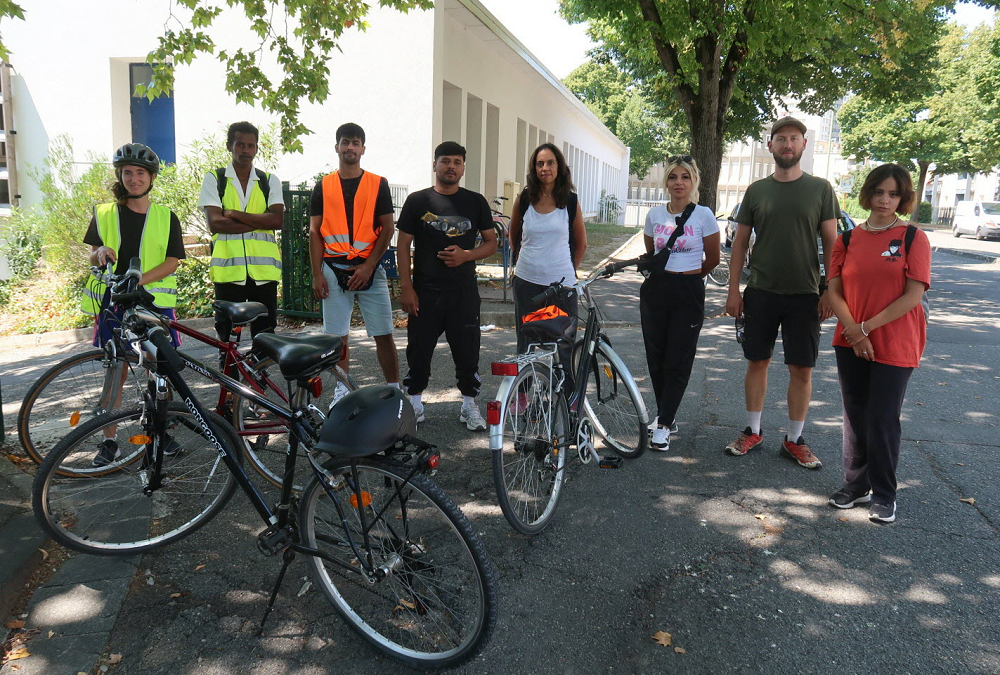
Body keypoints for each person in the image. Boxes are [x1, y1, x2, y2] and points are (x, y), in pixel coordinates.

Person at [724, 116, 839, 468]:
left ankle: (794, 439)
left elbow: (833, 244)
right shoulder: (757, 190)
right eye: (781, 139)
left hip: (805, 294)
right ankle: (753, 431)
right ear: (770, 145)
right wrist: (733, 290)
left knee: (801, 369)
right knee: (757, 361)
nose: (787, 144)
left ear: (804, 145)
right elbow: (740, 243)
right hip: (760, 291)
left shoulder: (820, 189)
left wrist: (831, 290)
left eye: (794, 139)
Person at [825, 164, 930, 523]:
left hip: (895, 339)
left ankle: (884, 494)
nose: (885, 199)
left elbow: (913, 295)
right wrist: (854, 330)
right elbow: (834, 291)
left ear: (903, 198)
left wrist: (866, 328)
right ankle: (855, 486)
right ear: (867, 193)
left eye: (894, 194)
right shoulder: (848, 239)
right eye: (879, 192)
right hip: (850, 337)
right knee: (855, 415)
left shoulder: (914, 238)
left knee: (882, 418)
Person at [82, 142, 185, 466]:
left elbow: (172, 262)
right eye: (128, 172)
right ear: (120, 175)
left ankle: (158, 431)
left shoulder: (167, 217)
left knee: (158, 372)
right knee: (116, 373)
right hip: (115, 305)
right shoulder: (104, 213)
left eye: (140, 173)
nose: (134, 178)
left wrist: (139, 279)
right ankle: (108, 441)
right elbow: (92, 255)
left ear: (151, 177)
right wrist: (98, 254)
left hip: (154, 304)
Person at [395, 141, 498, 430]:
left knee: (468, 351)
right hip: (425, 292)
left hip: (463, 292)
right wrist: (406, 287)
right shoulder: (418, 201)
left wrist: (467, 255)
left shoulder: (475, 202)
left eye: (457, 161)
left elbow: (491, 243)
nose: (451, 166)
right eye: (445, 161)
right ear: (435, 165)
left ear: (463, 167)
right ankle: (414, 403)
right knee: (419, 350)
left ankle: (469, 405)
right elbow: (403, 246)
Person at [309, 123, 399, 400]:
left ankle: (394, 389)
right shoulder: (323, 186)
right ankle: (342, 390)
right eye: (345, 142)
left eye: (355, 142)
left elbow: (388, 227)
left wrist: (370, 265)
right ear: (337, 147)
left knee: (383, 332)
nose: (350, 147)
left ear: (363, 148)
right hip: (333, 267)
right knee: (337, 337)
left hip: (370, 267)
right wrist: (317, 274)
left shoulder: (377, 183)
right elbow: (315, 231)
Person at [640, 155, 720, 452]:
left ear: (693, 181)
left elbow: (712, 258)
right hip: (656, 291)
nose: (678, 183)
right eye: (673, 177)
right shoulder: (654, 215)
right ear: (666, 182)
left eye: (685, 177)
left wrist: (689, 277)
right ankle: (666, 414)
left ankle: (662, 425)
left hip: (687, 290)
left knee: (679, 358)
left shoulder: (703, 215)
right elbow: (652, 254)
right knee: (656, 356)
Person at [509, 143, 587, 394]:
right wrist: (525, 263)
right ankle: (523, 394)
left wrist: (566, 272)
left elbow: (581, 244)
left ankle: (566, 399)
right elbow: (514, 237)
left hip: (562, 287)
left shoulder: (571, 202)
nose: (545, 168)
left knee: (564, 343)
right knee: (527, 342)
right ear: (534, 168)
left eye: (550, 163)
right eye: (540, 163)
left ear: (559, 167)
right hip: (527, 283)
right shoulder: (524, 199)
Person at [198, 121, 285, 345]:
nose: (245, 150)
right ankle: (229, 381)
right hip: (229, 272)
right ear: (229, 146)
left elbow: (277, 220)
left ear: (256, 148)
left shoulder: (268, 181)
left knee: (265, 335)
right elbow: (215, 224)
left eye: (250, 145)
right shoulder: (215, 179)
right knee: (226, 336)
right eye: (240, 145)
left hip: (263, 273)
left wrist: (236, 214)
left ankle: (261, 379)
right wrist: (260, 221)